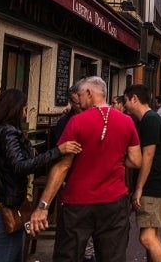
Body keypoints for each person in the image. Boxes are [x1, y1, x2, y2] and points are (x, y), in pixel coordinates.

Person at [28, 76, 142, 262]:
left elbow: (63, 165)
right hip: (114, 203)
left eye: (80, 95)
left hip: (78, 203)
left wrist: (43, 206)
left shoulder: (77, 122)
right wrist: (116, 159)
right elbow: (136, 161)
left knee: (69, 256)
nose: (78, 101)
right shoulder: (127, 121)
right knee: (112, 257)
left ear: (89, 93)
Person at [0, 89, 81, 262]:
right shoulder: (8, 133)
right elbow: (19, 166)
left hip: (1, 202)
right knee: (8, 252)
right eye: (24, 108)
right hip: (5, 203)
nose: (26, 113)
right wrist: (58, 151)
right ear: (15, 109)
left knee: (13, 252)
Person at [123, 84, 161, 262]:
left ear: (134, 99)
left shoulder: (150, 120)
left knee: (146, 238)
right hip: (157, 185)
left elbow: (148, 155)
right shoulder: (150, 119)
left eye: (125, 101)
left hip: (154, 186)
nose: (124, 105)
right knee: (153, 235)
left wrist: (139, 188)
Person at [50, 82, 96, 262]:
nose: (82, 102)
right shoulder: (66, 122)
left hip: (89, 183)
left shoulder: (90, 119)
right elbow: (62, 158)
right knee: (73, 231)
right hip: (72, 181)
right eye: (78, 99)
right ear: (72, 100)